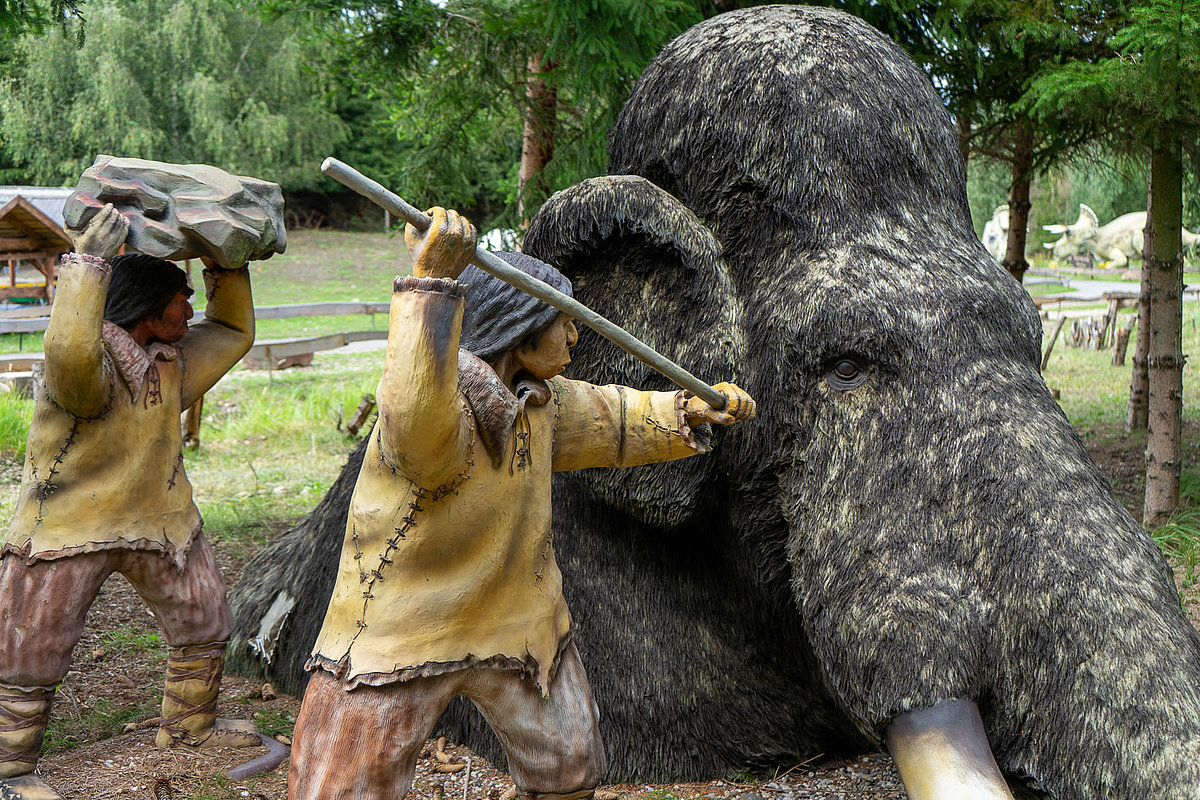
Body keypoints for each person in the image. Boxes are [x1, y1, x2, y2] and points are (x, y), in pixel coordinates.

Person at [288, 208, 757, 800]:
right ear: (519, 327)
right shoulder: (438, 407)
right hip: (401, 625)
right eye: (561, 322)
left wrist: (687, 411)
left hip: (519, 615)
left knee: (569, 769)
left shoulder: (544, 404)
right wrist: (431, 285)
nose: (574, 336)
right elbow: (415, 415)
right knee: (346, 786)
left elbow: (613, 420)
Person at [0, 204, 260, 800]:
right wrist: (87, 267)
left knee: (204, 622)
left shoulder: (173, 364)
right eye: (180, 299)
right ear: (146, 305)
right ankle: (11, 768)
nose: (190, 311)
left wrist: (228, 258)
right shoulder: (87, 370)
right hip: (67, 527)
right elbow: (68, 354)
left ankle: (191, 732)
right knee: (28, 646)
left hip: (162, 522)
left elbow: (233, 332)